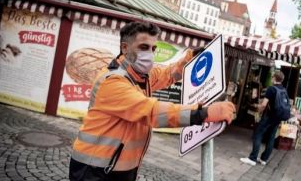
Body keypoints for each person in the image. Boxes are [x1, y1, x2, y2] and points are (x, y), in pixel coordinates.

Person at [68, 21, 236, 181]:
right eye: (143, 47)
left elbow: (168, 74)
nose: (149, 54)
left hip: (118, 167)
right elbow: (152, 112)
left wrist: (188, 60)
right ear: (125, 48)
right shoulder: (113, 82)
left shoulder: (140, 76)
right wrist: (204, 113)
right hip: (94, 169)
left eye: (153, 48)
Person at [240, 71, 289, 166]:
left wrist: (258, 110)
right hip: (277, 118)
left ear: (274, 78)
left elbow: (263, 104)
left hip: (268, 116)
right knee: (271, 138)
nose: (271, 79)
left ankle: (252, 158)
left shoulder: (271, 89)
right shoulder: (283, 89)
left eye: (272, 77)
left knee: (258, 134)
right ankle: (263, 159)